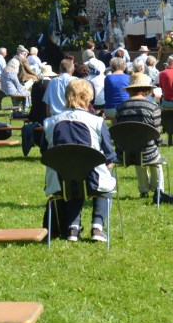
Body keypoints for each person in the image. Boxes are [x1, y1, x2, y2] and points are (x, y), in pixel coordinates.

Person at [43, 79, 117, 243]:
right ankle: (97, 226)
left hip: (60, 180)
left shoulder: (50, 123)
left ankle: (72, 227)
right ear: (88, 97)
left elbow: (44, 151)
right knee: (103, 175)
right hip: (92, 179)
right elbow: (110, 154)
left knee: (74, 174)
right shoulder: (97, 121)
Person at [115, 72, 164, 198]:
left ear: (130, 90)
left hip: (125, 153)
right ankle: (158, 190)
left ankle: (143, 190)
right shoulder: (153, 107)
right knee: (152, 154)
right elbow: (157, 133)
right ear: (147, 89)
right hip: (148, 152)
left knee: (136, 147)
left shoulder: (120, 107)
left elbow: (118, 131)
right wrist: (158, 143)